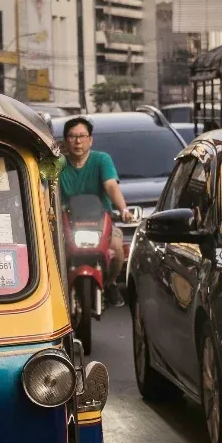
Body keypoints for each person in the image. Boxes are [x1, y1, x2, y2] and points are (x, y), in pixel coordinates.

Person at [59, 116, 133, 306]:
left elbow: (110, 186)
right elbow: (45, 190)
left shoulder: (102, 160)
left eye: (82, 136)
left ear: (90, 140)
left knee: (117, 247)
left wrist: (123, 210)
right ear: (65, 140)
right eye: (73, 136)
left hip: (101, 223)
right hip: (65, 224)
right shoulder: (57, 164)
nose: (78, 141)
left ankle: (110, 283)